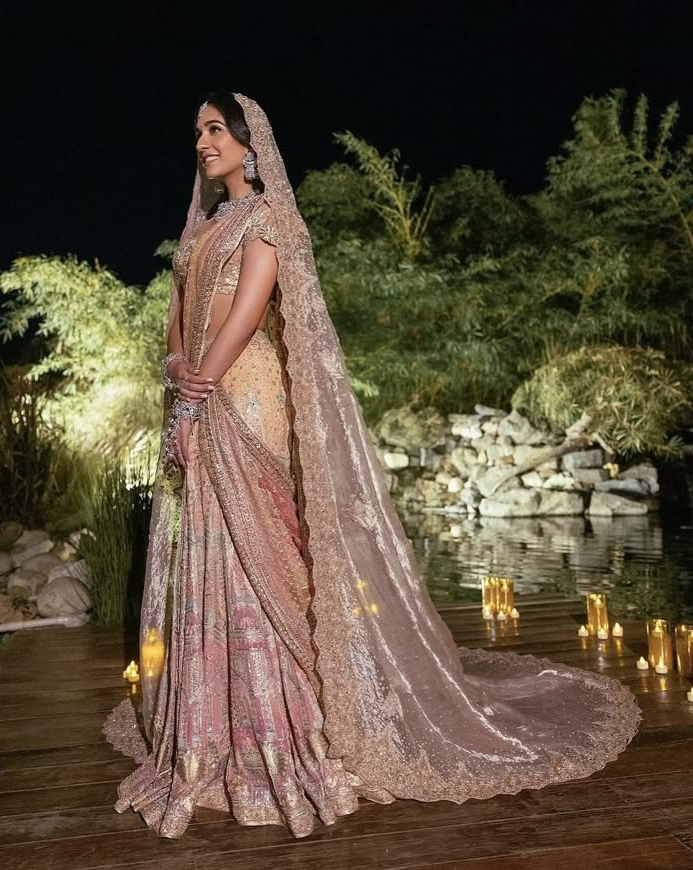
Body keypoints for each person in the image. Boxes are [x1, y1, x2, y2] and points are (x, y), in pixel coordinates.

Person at [103, 92, 642, 840]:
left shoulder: (267, 218)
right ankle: (211, 721)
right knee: (205, 548)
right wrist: (175, 370)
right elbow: (177, 317)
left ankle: (286, 723)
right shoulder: (200, 227)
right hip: (195, 388)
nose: (202, 140)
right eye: (196, 129)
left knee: (259, 549)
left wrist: (199, 389)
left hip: (245, 393)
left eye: (215, 128)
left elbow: (248, 311)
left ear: (251, 140)